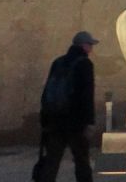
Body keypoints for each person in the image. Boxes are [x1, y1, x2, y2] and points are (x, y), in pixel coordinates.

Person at [33, 31, 99, 182]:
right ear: (83, 45)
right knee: (82, 161)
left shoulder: (58, 62)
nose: (91, 48)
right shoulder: (84, 64)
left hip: (55, 120)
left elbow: (47, 90)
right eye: (90, 45)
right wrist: (89, 121)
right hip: (76, 122)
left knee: (52, 161)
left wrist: (45, 118)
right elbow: (87, 95)